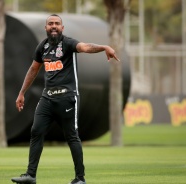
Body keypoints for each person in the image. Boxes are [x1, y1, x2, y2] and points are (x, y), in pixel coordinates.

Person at [11, 14, 119, 184]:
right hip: (47, 99)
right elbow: (33, 69)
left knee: (71, 136)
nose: (54, 26)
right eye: (50, 24)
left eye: (57, 24)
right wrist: (21, 93)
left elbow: (84, 47)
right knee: (36, 132)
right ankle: (30, 175)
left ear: (62, 28)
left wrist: (104, 47)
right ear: (46, 28)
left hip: (67, 98)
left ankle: (80, 178)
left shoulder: (68, 43)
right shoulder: (42, 46)